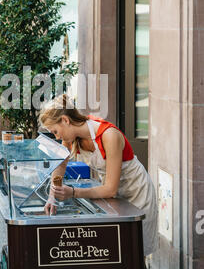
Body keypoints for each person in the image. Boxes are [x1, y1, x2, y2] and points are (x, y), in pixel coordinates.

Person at [39, 94, 158, 258]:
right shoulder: (72, 138)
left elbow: (110, 189)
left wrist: (73, 192)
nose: (57, 137)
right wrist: (52, 195)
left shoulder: (109, 135)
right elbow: (60, 165)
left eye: (55, 131)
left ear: (65, 120)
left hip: (137, 194)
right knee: (121, 258)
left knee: (136, 261)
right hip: (116, 198)